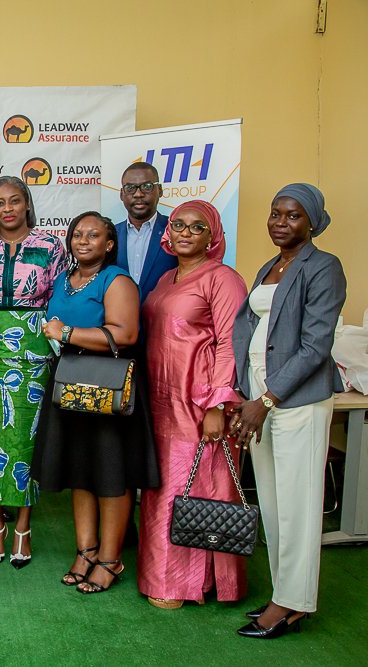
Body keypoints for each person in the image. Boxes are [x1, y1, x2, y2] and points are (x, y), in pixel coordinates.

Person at [229, 184, 347, 638]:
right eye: (275, 213)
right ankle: (285, 593)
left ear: (312, 222)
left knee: (299, 504)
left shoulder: (324, 267)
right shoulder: (270, 266)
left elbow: (316, 346)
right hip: (260, 398)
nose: (281, 222)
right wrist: (248, 394)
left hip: (296, 400)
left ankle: (293, 605)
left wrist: (267, 399)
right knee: (274, 503)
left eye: (293, 215)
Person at [36, 212, 159, 592]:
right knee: (80, 472)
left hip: (107, 388)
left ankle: (110, 558)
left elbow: (125, 334)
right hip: (70, 384)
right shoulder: (64, 280)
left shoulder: (117, 280)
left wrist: (67, 332)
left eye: (93, 235)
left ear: (109, 244)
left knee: (110, 476)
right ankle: (85, 551)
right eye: (77, 234)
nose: (83, 241)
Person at [137, 200, 248, 609]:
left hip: (199, 403)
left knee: (197, 488)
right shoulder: (166, 278)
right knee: (162, 490)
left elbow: (231, 344)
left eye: (197, 227)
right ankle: (161, 576)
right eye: (179, 225)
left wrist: (218, 404)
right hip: (161, 400)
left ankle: (190, 585)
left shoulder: (223, 279)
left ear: (212, 235)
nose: (185, 232)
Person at [0, 176, 65, 570]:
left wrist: (50, 343)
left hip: (33, 348)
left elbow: (58, 300)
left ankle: (23, 525)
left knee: (26, 438)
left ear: (27, 204)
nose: (7, 209)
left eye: (14, 201)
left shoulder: (50, 246)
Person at [115, 162, 177, 302]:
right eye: (130, 188)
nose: (138, 194)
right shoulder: (110, 235)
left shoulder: (175, 231)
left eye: (147, 186)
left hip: (164, 314)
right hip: (120, 315)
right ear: (122, 194)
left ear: (159, 190)